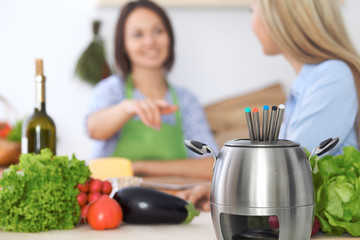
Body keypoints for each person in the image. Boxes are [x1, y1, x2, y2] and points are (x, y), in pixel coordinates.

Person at [177, 0, 360, 209]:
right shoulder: (304, 86)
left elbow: (286, 170)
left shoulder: (331, 76)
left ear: (278, 18)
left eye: (252, 10)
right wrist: (217, 188)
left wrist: (225, 190)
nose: (251, 24)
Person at [85, 0, 218, 180]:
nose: (150, 42)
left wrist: (139, 167)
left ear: (169, 37)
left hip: (171, 203)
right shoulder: (112, 90)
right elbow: (93, 129)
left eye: (158, 31)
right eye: (137, 34)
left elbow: (210, 165)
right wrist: (126, 108)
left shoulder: (185, 100)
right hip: (112, 204)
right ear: (123, 44)